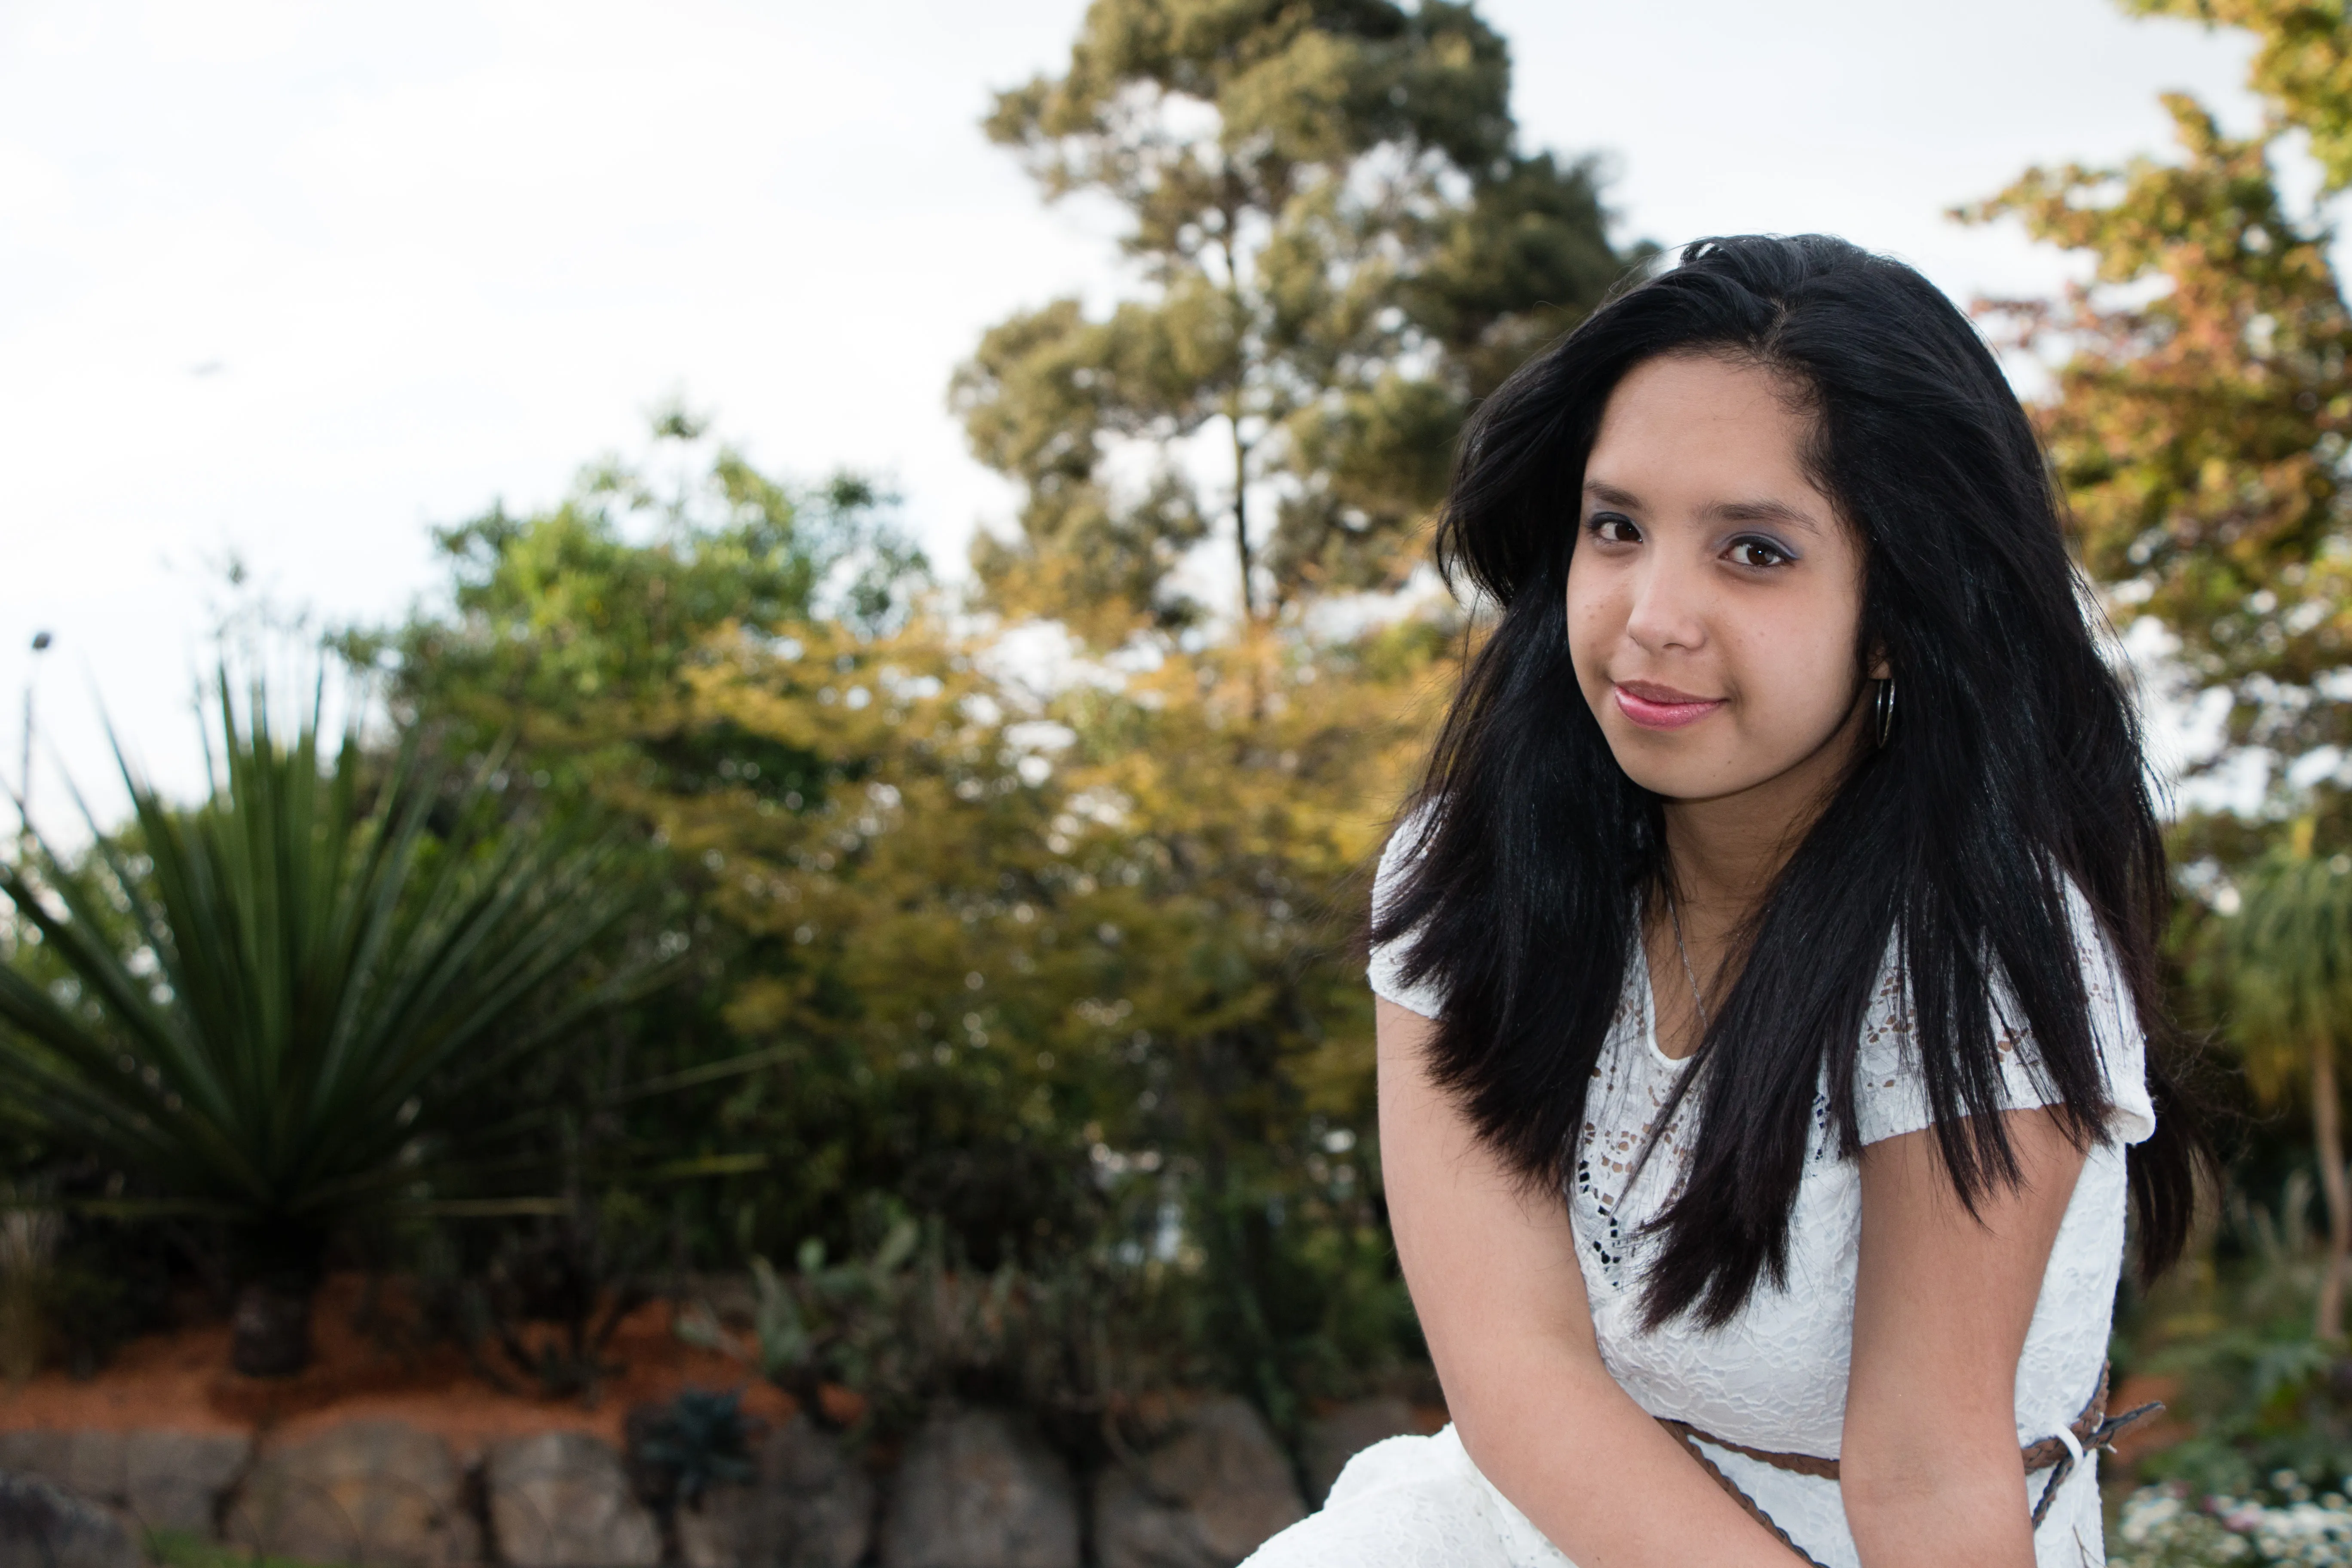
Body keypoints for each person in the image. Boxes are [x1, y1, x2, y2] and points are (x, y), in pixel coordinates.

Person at [1242, 235, 2205, 1568]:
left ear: (1892, 618)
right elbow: (1518, 1374)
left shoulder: (1970, 953)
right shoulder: (1470, 877)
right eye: (1617, 527)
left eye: (1755, 551)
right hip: (1525, 1520)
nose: (1652, 616)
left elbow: (1926, 1475)